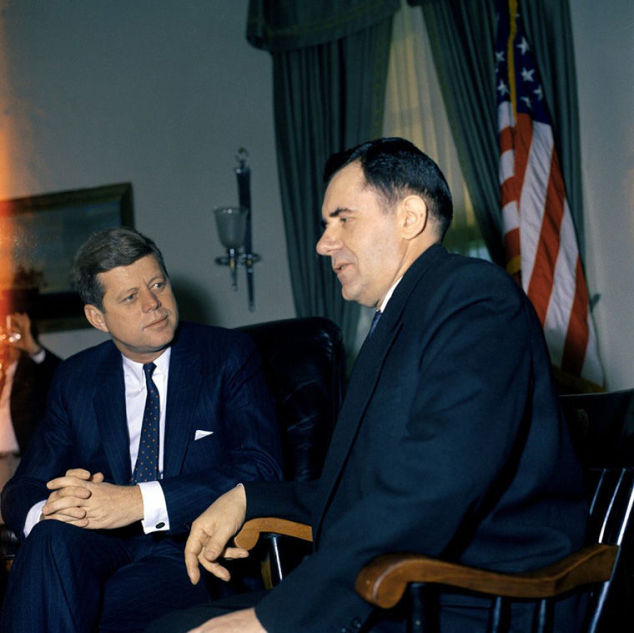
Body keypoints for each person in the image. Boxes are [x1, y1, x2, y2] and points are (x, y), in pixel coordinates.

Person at [149, 138, 588, 633]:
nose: (323, 243)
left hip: (468, 600)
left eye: (342, 218)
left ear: (409, 217)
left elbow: (431, 487)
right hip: (402, 589)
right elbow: (362, 492)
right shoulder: (400, 315)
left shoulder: (473, 298)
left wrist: (277, 619)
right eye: (324, 224)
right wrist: (249, 497)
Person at [0, 227, 282, 632]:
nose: (155, 304)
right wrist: (51, 510)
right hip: (99, 545)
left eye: (158, 284)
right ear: (98, 317)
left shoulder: (226, 357)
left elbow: (262, 467)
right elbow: (23, 486)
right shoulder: (76, 379)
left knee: (80, 607)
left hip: (190, 550)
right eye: (131, 297)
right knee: (48, 537)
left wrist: (137, 502)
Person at [0, 308, 61, 498]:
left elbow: (58, 373)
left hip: (25, 460)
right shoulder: (2, 373)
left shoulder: (34, 370)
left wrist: (33, 348)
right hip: (1, 462)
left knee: (22, 514)